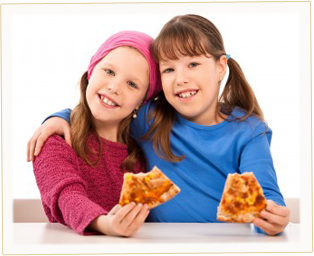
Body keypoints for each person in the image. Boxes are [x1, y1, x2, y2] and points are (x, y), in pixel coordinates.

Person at [28, 15, 290, 236]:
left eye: (193, 64)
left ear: (221, 67)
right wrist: (60, 117)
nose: (181, 79)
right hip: (157, 245)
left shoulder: (250, 131)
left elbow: (266, 194)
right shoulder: (151, 119)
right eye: (169, 69)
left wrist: (274, 217)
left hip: (229, 245)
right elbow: (104, 109)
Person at [31, 30, 162, 236]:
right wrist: (105, 224)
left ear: (142, 101)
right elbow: (67, 196)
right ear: (91, 71)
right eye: (109, 71)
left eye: (132, 84)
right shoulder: (55, 140)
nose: (114, 87)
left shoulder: (142, 156)